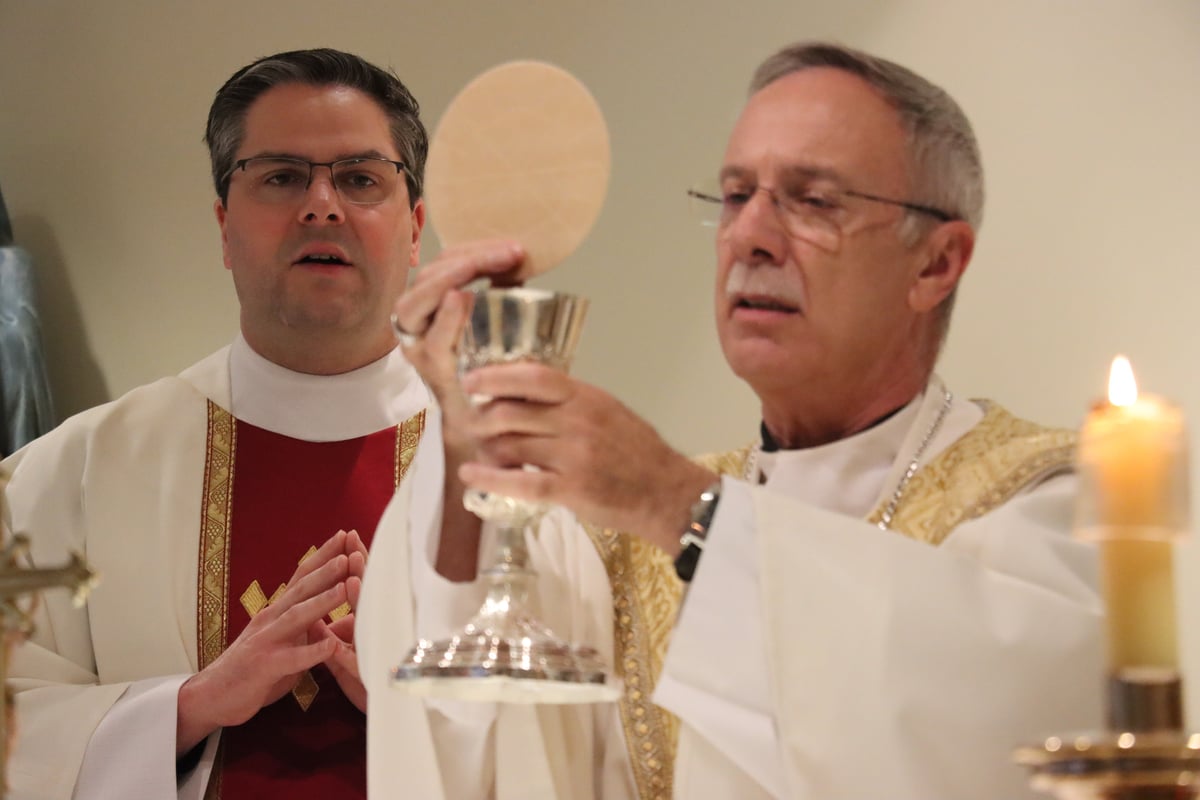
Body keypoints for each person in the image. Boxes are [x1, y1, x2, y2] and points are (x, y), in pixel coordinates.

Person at [360, 41, 1105, 798]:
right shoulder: (619, 555)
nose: (750, 235)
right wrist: (467, 431)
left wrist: (675, 504)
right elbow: (468, 729)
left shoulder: (1052, 509)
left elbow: (992, 739)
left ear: (936, 263)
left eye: (814, 201)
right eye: (736, 194)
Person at [2, 48, 431, 800]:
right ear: (225, 225)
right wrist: (188, 706)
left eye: (361, 178)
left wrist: (427, 716)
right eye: (281, 176)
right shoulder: (72, 475)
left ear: (416, 226)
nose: (322, 205)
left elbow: (608, 738)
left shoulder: (519, 480)